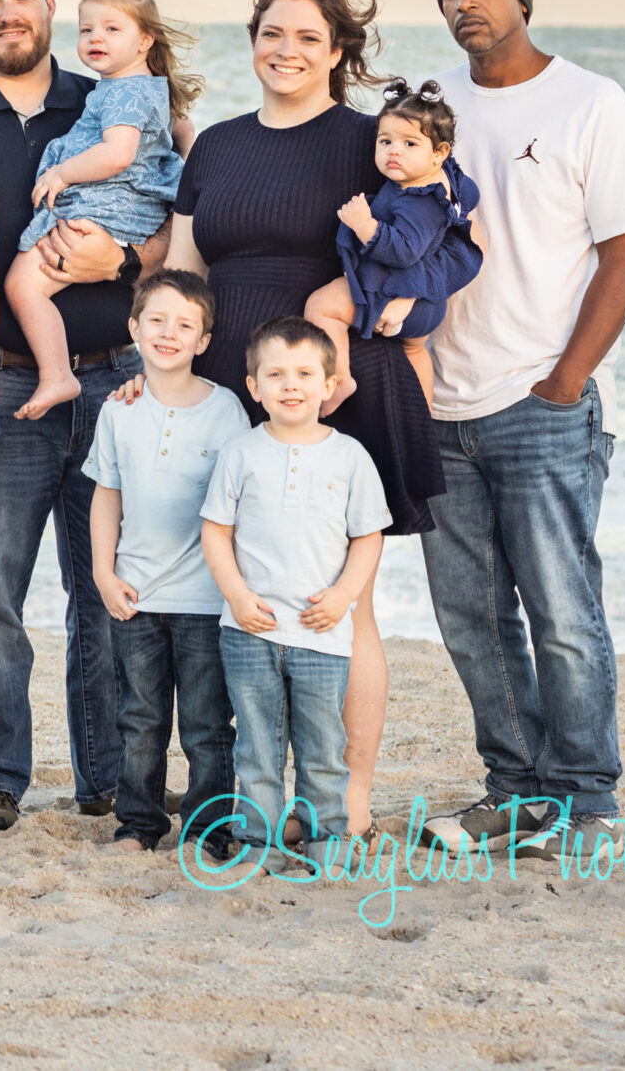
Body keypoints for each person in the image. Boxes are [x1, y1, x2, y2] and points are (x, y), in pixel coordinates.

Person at [163, 0, 443, 836]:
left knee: (338, 600)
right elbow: (183, 271)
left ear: (340, 51)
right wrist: (161, 364)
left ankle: (346, 799)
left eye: (308, 37)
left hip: (343, 384)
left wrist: (380, 340)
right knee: (238, 589)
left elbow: (425, 253)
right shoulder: (215, 144)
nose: (286, 51)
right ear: (253, 41)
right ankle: (255, 792)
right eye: (272, 33)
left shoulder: (371, 142)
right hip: (230, 389)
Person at [419, 0, 625, 858]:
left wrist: (568, 379)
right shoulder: (432, 105)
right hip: (440, 406)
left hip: (539, 403)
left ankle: (587, 800)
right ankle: (515, 789)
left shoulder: (590, 102)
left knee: (562, 615)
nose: (465, 2)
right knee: (472, 620)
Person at [0, 0, 158, 835]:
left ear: (51, 5)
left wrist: (131, 257)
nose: (9, 13)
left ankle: (107, 778)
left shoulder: (105, 97)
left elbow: (176, 224)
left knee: (107, 590)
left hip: (121, 383)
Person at [200, 318, 390, 872]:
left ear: (329, 385)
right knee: (256, 747)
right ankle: (259, 844)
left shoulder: (350, 456)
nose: (291, 384)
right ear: (253, 386)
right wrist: (235, 594)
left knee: (323, 749)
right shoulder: (241, 452)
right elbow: (216, 531)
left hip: (320, 631)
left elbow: (368, 537)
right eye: (275, 373)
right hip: (250, 629)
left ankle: (327, 839)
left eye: (306, 373)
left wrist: (345, 596)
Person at [86, 270, 249, 860]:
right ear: (133, 329)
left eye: (185, 325)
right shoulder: (119, 410)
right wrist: (104, 572)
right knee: (140, 720)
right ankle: (137, 826)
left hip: (206, 598)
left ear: (204, 341)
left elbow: (238, 507)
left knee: (207, 726)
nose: (169, 333)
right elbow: (107, 494)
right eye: (156, 320)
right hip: (136, 595)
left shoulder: (226, 409)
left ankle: (209, 829)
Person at [2, 0, 199, 421]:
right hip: (122, 209)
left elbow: (118, 154)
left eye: (112, 29)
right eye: (87, 30)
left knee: (21, 287)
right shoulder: (144, 88)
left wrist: (61, 174)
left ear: (144, 39)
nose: (95, 39)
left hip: (102, 210)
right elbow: (183, 133)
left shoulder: (124, 93)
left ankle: (55, 374)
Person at [302, 81, 482, 410]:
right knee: (415, 350)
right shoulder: (436, 180)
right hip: (426, 304)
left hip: (397, 290)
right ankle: (424, 413)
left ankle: (340, 380)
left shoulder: (420, 200)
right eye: (385, 141)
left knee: (322, 307)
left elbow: (403, 251)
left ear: (439, 154)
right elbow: (468, 193)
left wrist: (364, 224)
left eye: (410, 143)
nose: (393, 151)